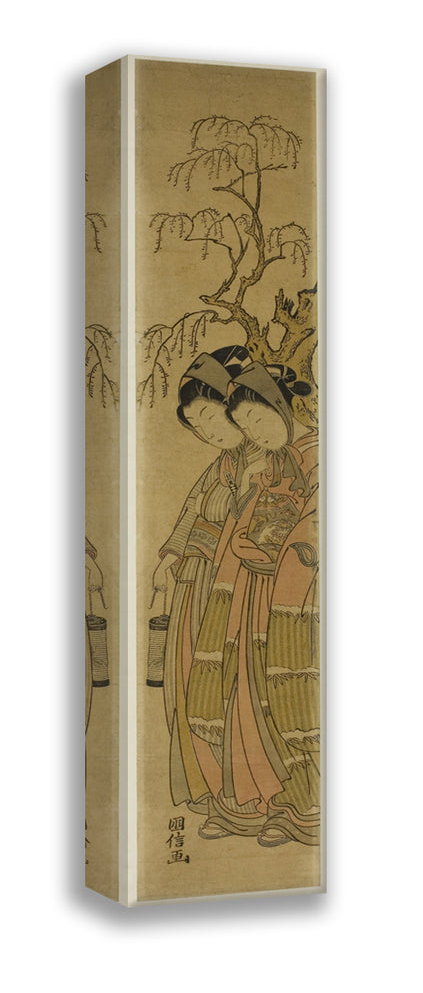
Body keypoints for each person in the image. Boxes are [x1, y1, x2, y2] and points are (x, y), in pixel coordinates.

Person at [185, 361, 320, 845]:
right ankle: (247, 799)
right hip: (249, 589)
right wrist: (242, 542)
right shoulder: (267, 465)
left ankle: (303, 805)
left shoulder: (317, 454)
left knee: (289, 695)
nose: (256, 433)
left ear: (282, 408)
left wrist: (286, 553)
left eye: (261, 420)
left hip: (297, 597)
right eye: (246, 426)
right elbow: (237, 522)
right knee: (242, 687)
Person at [152, 345, 252, 815]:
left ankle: (240, 789)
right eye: (197, 425)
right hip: (197, 581)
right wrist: (170, 556)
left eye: (210, 416)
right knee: (189, 678)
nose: (207, 432)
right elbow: (192, 510)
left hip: (237, 585)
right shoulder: (220, 466)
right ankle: (206, 786)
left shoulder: (263, 460)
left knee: (230, 683)